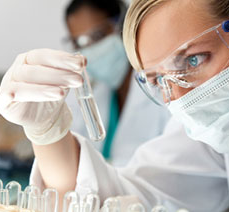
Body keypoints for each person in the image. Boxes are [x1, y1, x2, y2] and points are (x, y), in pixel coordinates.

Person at [0, 0, 229, 211]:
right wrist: (48, 134)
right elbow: (131, 200)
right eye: (157, 80)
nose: (179, 98)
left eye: (193, 59)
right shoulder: (228, 115)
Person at [63, 0, 170, 165]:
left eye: (97, 36)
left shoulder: (162, 85)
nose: (91, 50)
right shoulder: (93, 93)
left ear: (122, 25)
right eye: (79, 43)